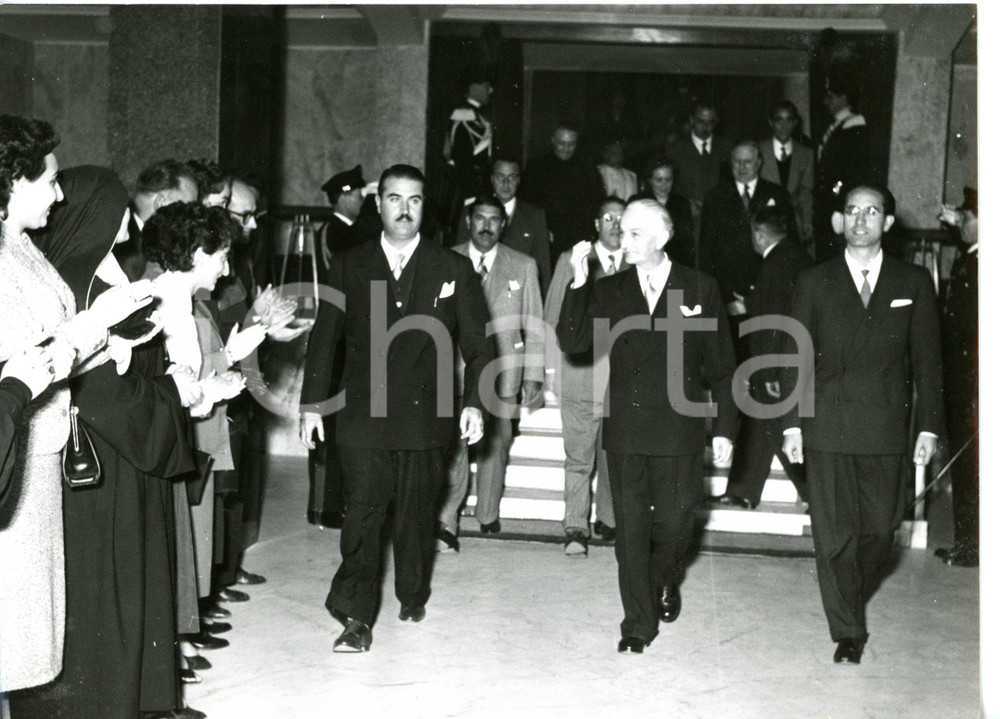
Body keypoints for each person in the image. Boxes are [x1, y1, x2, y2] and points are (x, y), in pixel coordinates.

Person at [14, 165, 204, 719]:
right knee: (108, 598)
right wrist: (171, 392)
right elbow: (106, 395)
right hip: (104, 468)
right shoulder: (82, 284)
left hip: (120, 458)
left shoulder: (101, 273)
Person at [300, 165, 494, 652]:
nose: (404, 209)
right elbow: (324, 341)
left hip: (427, 417)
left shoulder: (453, 268)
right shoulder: (348, 263)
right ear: (378, 204)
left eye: (414, 200)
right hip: (363, 413)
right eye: (393, 199)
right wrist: (312, 406)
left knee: (414, 514)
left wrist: (474, 404)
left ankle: (412, 591)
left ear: (425, 207)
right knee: (363, 514)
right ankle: (356, 615)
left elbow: (478, 346)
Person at [0, 115, 153, 695]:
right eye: (50, 181)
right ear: (14, 180)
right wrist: (97, 323)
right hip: (14, 452)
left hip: (37, 456)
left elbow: (50, 352)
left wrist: (106, 337)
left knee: (27, 634)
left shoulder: (21, 246)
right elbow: (26, 363)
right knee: (9, 633)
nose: (60, 194)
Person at [557, 198, 737, 654]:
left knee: (676, 526)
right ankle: (637, 624)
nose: (623, 237)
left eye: (635, 232)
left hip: (681, 429)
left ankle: (665, 578)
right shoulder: (610, 288)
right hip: (628, 431)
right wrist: (578, 283)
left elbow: (722, 368)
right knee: (631, 533)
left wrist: (725, 431)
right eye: (621, 229)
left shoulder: (700, 287)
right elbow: (574, 341)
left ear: (662, 237)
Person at [781, 185, 945, 665]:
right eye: (852, 211)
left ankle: (848, 593)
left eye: (872, 211)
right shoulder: (813, 281)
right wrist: (792, 424)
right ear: (839, 221)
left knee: (879, 529)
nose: (860, 219)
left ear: (888, 224)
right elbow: (797, 358)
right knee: (834, 536)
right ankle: (848, 630)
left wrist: (929, 426)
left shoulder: (913, 282)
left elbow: (928, 362)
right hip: (827, 425)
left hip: (886, 426)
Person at [437, 195, 543, 548]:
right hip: (455, 369)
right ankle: (446, 522)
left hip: (504, 370)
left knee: (496, 445)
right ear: (469, 221)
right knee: (455, 447)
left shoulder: (523, 265)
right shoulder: (445, 259)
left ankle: (487, 513)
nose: (486, 225)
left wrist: (533, 374)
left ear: (504, 224)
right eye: (479, 218)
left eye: (494, 219)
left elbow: (535, 324)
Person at [544, 197, 628, 556]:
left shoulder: (637, 262)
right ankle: (575, 527)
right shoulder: (572, 259)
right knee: (578, 459)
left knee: (614, 457)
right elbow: (551, 318)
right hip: (580, 377)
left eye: (621, 219)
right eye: (608, 217)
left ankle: (608, 519)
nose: (615, 224)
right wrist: (548, 370)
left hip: (621, 380)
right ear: (596, 223)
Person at [713, 206, 810, 510]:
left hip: (776, 364)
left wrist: (770, 373)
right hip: (789, 360)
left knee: (777, 424)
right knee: (761, 423)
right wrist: (751, 304)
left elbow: (777, 320)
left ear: (759, 234)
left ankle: (814, 491)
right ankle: (743, 490)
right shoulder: (797, 258)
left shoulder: (775, 264)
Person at [700, 141, 796, 346]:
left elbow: (790, 245)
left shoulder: (777, 194)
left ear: (759, 163)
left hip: (768, 289)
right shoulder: (715, 197)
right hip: (730, 293)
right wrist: (721, 297)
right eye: (737, 161)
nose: (742, 167)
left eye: (748, 162)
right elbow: (707, 251)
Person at [934, 187, 978, 568]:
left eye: (966, 218)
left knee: (971, 468)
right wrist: (956, 223)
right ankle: (969, 540)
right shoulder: (974, 256)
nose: (959, 223)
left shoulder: (980, 263)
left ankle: (972, 545)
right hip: (966, 383)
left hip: (973, 387)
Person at [455, 157, 552, 294]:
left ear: (518, 181)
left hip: (513, 296)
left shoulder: (535, 216)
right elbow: (459, 257)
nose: (506, 183)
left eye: (511, 178)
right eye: (500, 176)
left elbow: (543, 269)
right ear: (492, 179)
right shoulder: (471, 210)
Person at [520, 122, 605, 269]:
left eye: (571, 144)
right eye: (561, 143)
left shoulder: (587, 169)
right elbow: (526, 205)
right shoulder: (537, 167)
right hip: (546, 238)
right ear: (553, 140)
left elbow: (597, 205)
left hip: (578, 238)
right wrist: (541, 230)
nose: (566, 148)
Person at [814, 73, 872, 263]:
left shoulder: (854, 124)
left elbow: (853, 171)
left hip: (839, 202)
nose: (825, 102)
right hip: (829, 202)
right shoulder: (837, 125)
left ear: (844, 97)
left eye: (831, 96)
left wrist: (840, 205)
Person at [114, 159, 200, 281]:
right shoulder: (120, 243)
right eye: (186, 208)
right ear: (161, 202)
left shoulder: (156, 239)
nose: (190, 218)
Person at [663, 103, 733, 233]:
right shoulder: (675, 150)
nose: (706, 127)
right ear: (691, 120)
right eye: (701, 121)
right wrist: (684, 204)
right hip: (688, 221)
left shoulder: (727, 148)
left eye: (711, 122)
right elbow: (666, 187)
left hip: (720, 220)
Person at [757, 101, 814, 251]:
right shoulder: (758, 150)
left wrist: (807, 221)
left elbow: (806, 191)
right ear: (771, 122)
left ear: (795, 123)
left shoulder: (806, 153)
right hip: (765, 220)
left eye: (788, 120)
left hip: (794, 221)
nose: (784, 126)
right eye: (779, 120)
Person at [444, 73, 494, 239]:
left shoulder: (475, 113)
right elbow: (461, 154)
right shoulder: (464, 112)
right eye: (487, 86)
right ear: (474, 87)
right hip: (468, 185)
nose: (491, 90)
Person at [633, 155, 695, 267]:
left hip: (675, 261)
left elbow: (687, 240)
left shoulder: (681, 203)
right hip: (645, 259)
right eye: (659, 180)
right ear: (650, 180)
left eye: (668, 180)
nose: (664, 185)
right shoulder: (638, 202)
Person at [319, 164, 367, 270]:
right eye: (359, 196)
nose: (363, 200)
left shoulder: (354, 228)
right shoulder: (333, 231)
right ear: (343, 199)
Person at [597, 139, 637, 205]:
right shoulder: (598, 171)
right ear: (605, 155)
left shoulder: (631, 175)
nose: (618, 156)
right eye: (614, 153)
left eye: (620, 153)